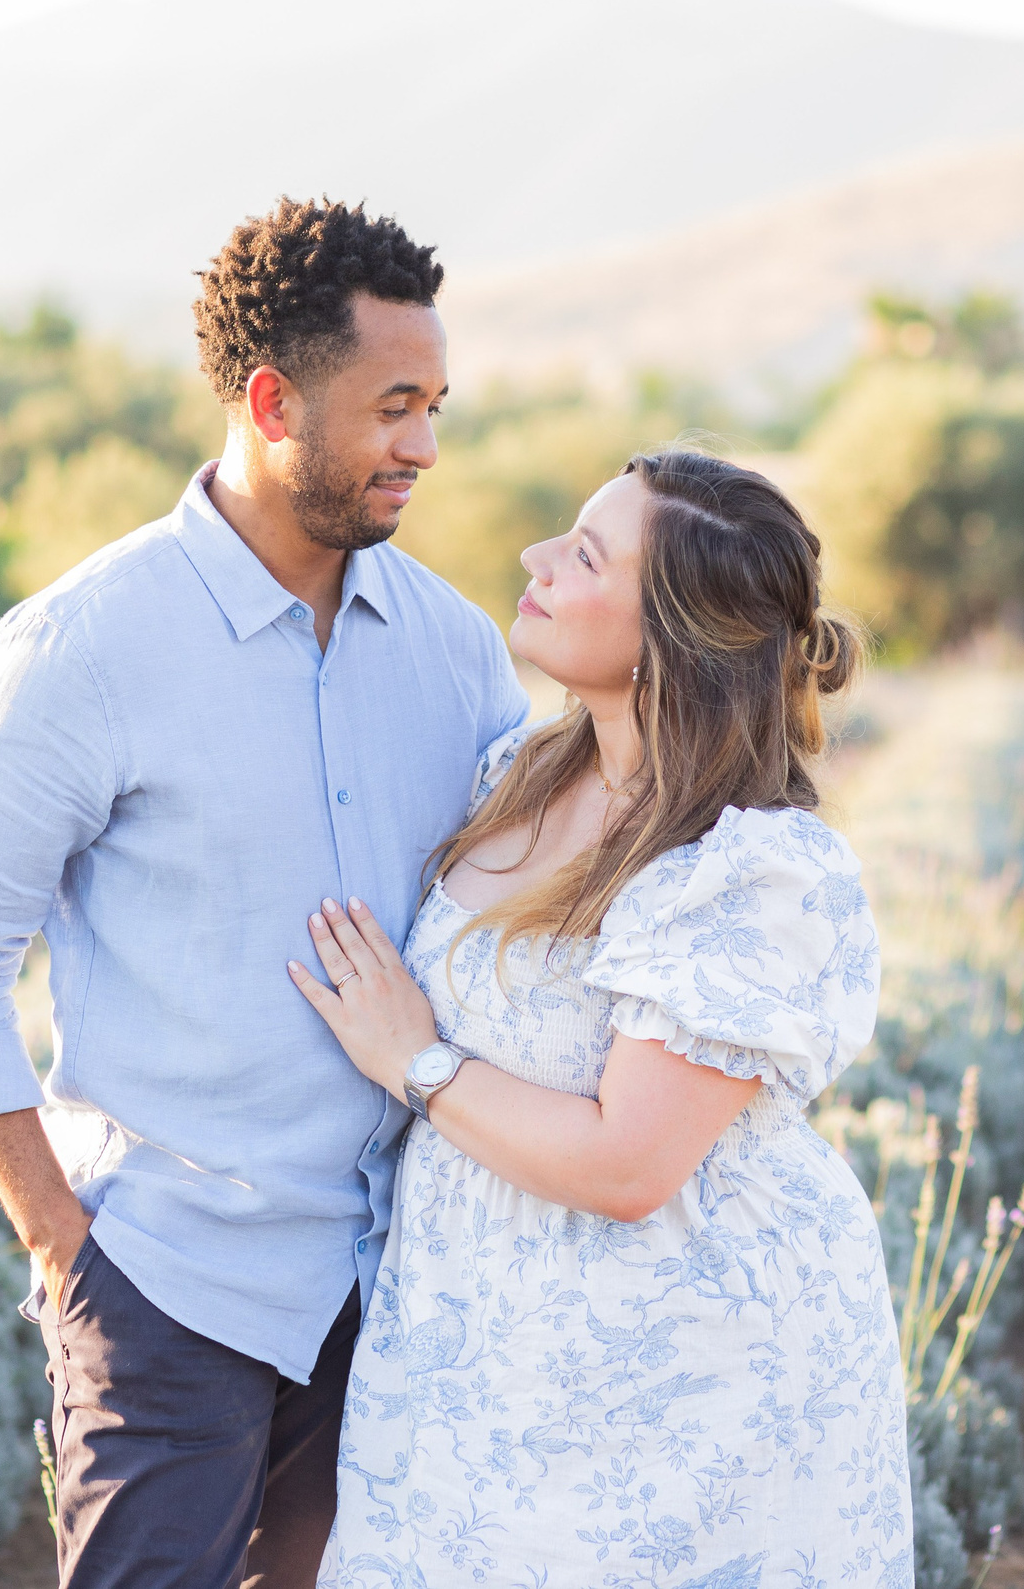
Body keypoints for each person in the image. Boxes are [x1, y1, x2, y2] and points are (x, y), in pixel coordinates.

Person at [0, 197, 527, 1588]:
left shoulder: (459, 650)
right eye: (394, 407)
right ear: (272, 400)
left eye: (435, 407)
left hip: (399, 1293)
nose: (424, 446)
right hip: (166, 1291)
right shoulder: (82, 646)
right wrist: (64, 1245)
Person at [290, 449, 913, 1587]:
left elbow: (630, 1164)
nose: (537, 557)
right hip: (477, 1334)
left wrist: (413, 1058)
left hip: (689, 1370)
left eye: (584, 555)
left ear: (667, 637)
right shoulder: (515, 773)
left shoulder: (747, 868)